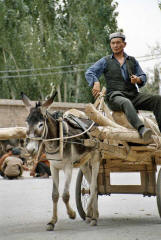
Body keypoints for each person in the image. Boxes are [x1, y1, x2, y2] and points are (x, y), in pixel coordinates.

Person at [85, 32, 161, 141]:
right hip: (115, 97)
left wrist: (138, 79)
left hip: (133, 95)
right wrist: (95, 82)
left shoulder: (132, 60)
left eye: (118, 43)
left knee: (157, 100)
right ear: (110, 45)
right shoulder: (105, 61)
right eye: (113, 43)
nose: (115, 45)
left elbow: (143, 76)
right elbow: (90, 72)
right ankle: (142, 129)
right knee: (125, 102)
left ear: (124, 44)